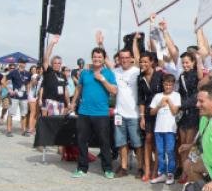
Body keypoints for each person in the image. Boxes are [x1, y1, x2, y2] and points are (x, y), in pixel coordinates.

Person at [70, 47, 118, 178]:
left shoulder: (108, 73)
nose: (97, 59)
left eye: (99, 57)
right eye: (95, 57)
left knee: (104, 142)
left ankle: (107, 168)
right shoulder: (85, 72)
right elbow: (78, 88)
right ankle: (82, 168)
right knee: (82, 141)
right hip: (84, 112)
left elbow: (114, 91)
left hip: (101, 113)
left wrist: (102, 79)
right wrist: (72, 103)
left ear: (104, 59)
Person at [106, 30, 143, 178]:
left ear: (131, 59)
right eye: (122, 58)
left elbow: (139, 58)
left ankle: (141, 168)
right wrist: (101, 44)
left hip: (133, 114)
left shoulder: (136, 71)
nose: (124, 60)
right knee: (121, 142)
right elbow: (107, 63)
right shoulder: (115, 72)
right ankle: (124, 167)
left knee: (137, 143)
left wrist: (135, 41)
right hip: (119, 113)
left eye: (127, 58)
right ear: (119, 59)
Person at [138, 52, 165, 182]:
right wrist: (142, 117)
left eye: (145, 62)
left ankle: (156, 169)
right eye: (141, 62)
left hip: (161, 111)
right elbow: (141, 99)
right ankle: (147, 169)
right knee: (148, 139)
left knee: (157, 140)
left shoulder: (160, 75)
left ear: (152, 62)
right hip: (148, 111)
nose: (143, 64)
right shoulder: (140, 77)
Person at [149, 74, 181, 184]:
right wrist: (159, 105)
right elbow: (152, 112)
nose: (168, 87)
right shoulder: (157, 96)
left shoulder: (176, 95)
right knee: (160, 151)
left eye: (170, 85)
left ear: (173, 85)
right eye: (166, 85)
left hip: (170, 128)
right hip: (159, 128)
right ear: (163, 84)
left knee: (170, 151)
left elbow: (175, 111)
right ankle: (162, 173)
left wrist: (168, 100)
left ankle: (170, 173)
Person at [176, 50, 202, 183]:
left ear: (193, 62)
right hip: (183, 111)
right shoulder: (181, 76)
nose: (185, 65)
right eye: (183, 63)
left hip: (193, 110)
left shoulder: (196, 74)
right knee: (182, 142)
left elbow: (201, 78)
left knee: (189, 142)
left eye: (187, 62)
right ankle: (183, 173)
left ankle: (189, 171)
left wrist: (199, 60)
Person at [41, 35, 70, 116]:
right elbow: (46, 57)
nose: (57, 65)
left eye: (59, 63)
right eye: (55, 63)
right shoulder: (48, 71)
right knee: (54, 121)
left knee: (60, 122)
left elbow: (66, 90)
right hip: (51, 100)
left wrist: (68, 103)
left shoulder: (62, 75)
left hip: (61, 101)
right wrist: (52, 43)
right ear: (52, 64)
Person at [2, 58, 32, 137]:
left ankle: (24, 131)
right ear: (19, 63)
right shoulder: (14, 72)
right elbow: (3, 81)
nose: (25, 64)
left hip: (24, 97)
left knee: (24, 114)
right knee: (11, 113)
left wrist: (28, 92)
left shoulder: (27, 73)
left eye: (25, 62)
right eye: (23, 62)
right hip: (15, 96)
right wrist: (9, 90)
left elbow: (28, 83)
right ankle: (9, 130)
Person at [27, 65, 41, 135]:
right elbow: (33, 84)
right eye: (32, 69)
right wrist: (35, 80)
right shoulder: (34, 76)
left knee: (36, 113)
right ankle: (30, 128)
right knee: (33, 113)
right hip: (32, 96)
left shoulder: (40, 76)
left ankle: (32, 128)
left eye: (35, 69)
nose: (34, 71)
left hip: (37, 97)